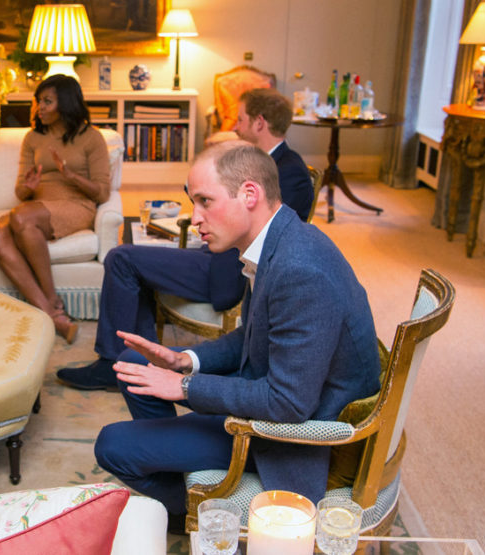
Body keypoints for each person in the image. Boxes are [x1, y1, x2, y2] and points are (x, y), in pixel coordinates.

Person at [92, 141, 380, 531]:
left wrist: (186, 386)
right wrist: (186, 360)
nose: (195, 218)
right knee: (130, 364)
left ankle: (196, 512)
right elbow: (252, 336)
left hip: (291, 438)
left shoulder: (300, 270)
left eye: (205, 201)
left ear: (249, 194)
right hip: (270, 390)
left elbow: (288, 403)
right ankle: (187, 478)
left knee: (113, 446)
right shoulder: (276, 241)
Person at [58, 87, 313, 390]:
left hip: (228, 267)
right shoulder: (254, 160)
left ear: (260, 122)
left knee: (121, 257)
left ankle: (113, 364)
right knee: (133, 255)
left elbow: (270, 237)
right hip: (215, 254)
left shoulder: (290, 171)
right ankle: (139, 361)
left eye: (241, 119)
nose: (235, 126)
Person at [0, 74, 111, 343]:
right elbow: (20, 191)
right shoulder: (33, 138)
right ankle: (51, 314)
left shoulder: (92, 138)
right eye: (38, 101)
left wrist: (72, 177)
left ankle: (53, 300)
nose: (39, 108)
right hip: (35, 208)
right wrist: (29, 187)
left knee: (20, 216)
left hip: (76, 205)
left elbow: (102, 192)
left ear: (65, 103)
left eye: (47, 101)